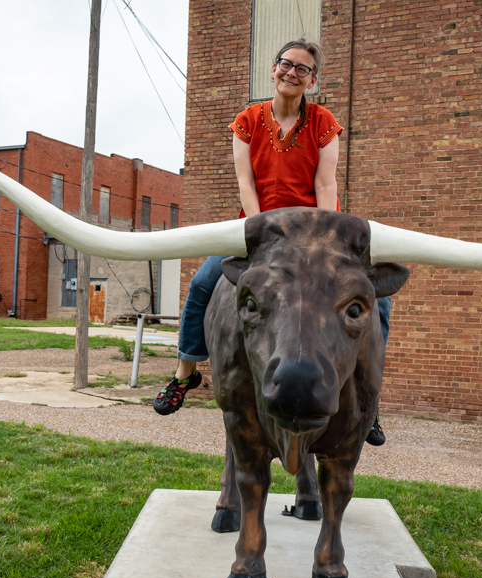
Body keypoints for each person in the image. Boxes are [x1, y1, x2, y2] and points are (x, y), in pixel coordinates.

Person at [153, 39, 390, 446]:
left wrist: (322, 240)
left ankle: (370, 398)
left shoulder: (323, 122)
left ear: (313, 80)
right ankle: (185, 373)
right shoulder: (246, 121)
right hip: (259, 229)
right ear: (273, 68)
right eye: (286, 64)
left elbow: (325, 182)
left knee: (378, 299)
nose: (291, 73)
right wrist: (261, 232)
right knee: (203, 283)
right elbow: (246, 182)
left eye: (302, 69)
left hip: (316, 230)